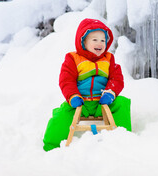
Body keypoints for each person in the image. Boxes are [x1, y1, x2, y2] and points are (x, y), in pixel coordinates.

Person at [43, 18, 131, 151]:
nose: (99, 43)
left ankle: (124, 139)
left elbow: (117, 78)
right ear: (83, 41)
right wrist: (73, 96)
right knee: (62, 115)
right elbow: (66, 80)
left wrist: (110, 93)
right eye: (94, 40)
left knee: (121, 104)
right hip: (80, 102)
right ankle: (51, 145)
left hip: (102, 102)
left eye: (103, 40)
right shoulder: (73, 59)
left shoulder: (108, 59)